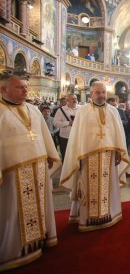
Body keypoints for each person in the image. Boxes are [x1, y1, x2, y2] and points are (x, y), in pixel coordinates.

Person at [0, 72, 60, 270]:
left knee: (40, 205)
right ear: (3, 89)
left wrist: (51, 155)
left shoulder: (33, 110)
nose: (25, 90)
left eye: (26, 86)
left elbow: (44, 135)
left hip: (38, 167)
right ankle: (14, 249)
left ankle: (40, 239)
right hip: (12, 173)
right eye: (20, 87)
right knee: (13, 209)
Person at [60, 82, 129, 232]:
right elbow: (77, 137)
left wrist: (118, 152)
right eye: (97, 92)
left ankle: (110, 213)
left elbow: (118, 134)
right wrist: (76, 156)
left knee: (109, 185)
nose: (101, 95)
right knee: (87, 186)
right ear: (91, 94)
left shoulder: (113, 111)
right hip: (87, 157)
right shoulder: (83, 111)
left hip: (108, 157)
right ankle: (87, 218)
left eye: (103, 92)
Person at [53, 94, 79, 161]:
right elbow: (55, 122)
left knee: (77, 154)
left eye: (75, 98)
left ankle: (78, 168)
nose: (75, 100)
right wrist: (68, 123)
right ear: (67, 100)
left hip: (78, 136)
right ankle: (65, 170)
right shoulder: (61, 110)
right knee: (65, 154)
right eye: (73, 98)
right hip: (65, 136)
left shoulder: (81, 109)